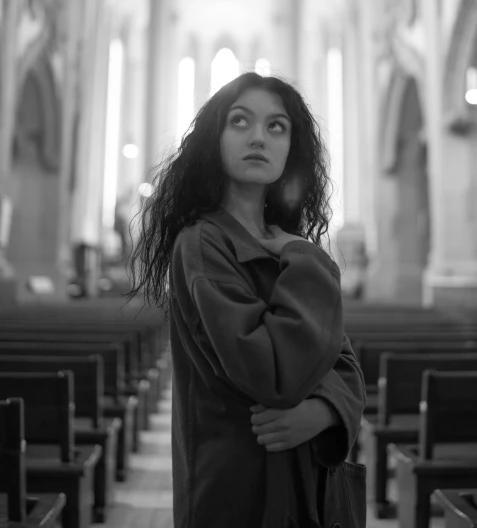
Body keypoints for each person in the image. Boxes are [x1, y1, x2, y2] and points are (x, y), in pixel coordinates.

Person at [128, 71, 366, 528]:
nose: (259, 136)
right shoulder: (203, 243)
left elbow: (346, 365)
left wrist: (322, 412)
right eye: (240, 121)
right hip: (241, 486)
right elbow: (272, 374)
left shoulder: (287, 244)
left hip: (307, 482)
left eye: (276, 126)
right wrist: (310, 261)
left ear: (290, 147)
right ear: (214, 138)